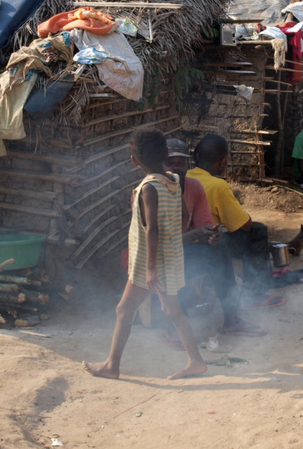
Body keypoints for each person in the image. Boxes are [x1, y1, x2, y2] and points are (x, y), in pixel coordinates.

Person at [83, 127, 207, 381]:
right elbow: (184, 217)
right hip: (170, 258)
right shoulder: (174, 181)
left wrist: (151, 268)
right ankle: (196, 361)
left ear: (134, 161)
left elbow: (152, 230)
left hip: (148, 263)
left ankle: (111, 366)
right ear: (165, 153)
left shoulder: (147, 188)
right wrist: (173, 236)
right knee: (173, 311)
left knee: (123, 310)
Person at [164, 139, 265, 338]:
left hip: (182, 249)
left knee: (219, 252)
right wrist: (196, 235)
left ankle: (232, 320)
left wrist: (212, 236)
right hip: (155, 257)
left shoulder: (194, 186)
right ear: (160, 164)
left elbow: (204, 225)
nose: (176, 167)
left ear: (188, 164)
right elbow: (158, 243)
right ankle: (174, 330)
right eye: (170, 162)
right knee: (174, 264)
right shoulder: (151, 191)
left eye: (180, 162)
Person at [188, 134, 284, 310]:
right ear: (223, 161)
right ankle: (255, 294)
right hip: (204, 249)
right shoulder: (218, 186)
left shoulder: (186, 177)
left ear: (197, 156)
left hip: (184, 246)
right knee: (257, 231)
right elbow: (244, 225)